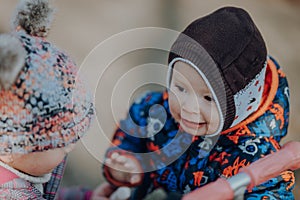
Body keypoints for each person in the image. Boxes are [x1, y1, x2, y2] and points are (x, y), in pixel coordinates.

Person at [103, 6, 295, 199]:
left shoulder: (256, 157)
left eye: (208, 98)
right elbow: (130, 139)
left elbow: (270, 194)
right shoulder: (155, 110)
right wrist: (127, 169)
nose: (188, 107)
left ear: (241, 104)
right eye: (181, 88)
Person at [0, 0, 117, 199]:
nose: (72, 146)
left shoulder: (25, 165)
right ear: (13, 147)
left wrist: (84, 197)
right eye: (63, 142)